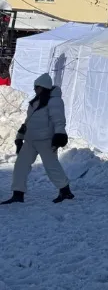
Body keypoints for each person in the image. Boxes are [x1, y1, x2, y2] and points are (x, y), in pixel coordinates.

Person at [2, 73, 73, 204]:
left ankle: (65, 191)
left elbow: (59, 120)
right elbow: (28, 121)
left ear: (43, 87)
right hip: (30, 140)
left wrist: (60, 134)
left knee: (51, 166)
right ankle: (17, 194)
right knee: (20, 166)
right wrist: (20, 136)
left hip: (46, 141)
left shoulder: (54, 101)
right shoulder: (35, 102)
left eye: (37, 87)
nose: (35, 89)